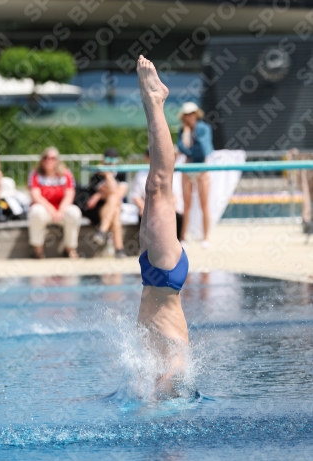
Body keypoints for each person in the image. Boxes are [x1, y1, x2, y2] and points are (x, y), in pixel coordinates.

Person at [137, 55, 189, 398]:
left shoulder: (165, 372)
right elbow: (179, 369)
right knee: (159, 185)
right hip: (164, 274)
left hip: (155, 275)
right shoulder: (178, 371)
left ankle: (154, 101)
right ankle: (155, 101)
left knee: (155, 187)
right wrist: (158, 395)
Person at [28, 147, 81, 259]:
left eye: (52, 158)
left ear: (57, 160)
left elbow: (70, 194)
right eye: (46, 158)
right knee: (36, 211)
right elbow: (36, 195)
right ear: (42, 160)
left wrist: (60, 210)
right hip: (44, 210)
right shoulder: (35, 174)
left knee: (74, 212)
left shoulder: (66, 174)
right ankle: (38, 250)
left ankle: (70, 248)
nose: (49, 160)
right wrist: (51, 209)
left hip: (61, 210)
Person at [177, 102, 214, 248]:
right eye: (187, 114)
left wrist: (188, 149)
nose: (190, 116)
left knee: (204, 204)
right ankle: (183, 238)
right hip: (188, 167)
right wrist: (186, 135)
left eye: (192, 113)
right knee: (186, 205)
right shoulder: (182, 131)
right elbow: (181, 147)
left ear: (196, 114)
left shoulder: (204, 128)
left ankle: (206, 238)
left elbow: (203, 150)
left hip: (201, 168)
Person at [81, 148, 128, 258]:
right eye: (108, 158)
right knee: (114, 205)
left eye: (113, 159)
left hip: (110, 208)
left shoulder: (121, 173)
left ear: (118, 160)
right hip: (97, 209)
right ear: (103, 159)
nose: (111, 161)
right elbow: (115, 191)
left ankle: (102, 231)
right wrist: (107, 174)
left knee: (115, 207)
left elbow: (118, 193)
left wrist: (100, 194)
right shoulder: (97, 175)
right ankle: (119, 249)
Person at [131, 147, 184, 240]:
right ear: (147, 158)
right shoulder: (141, 174)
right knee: (146, 215)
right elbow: (135, 195)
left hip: (165, 207)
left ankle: (177, 242)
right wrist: (142, 207)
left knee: (176, 216)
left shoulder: (169, 173)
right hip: (148, 207)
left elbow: (176, 194)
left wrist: (168, 206)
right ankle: (148, 246)